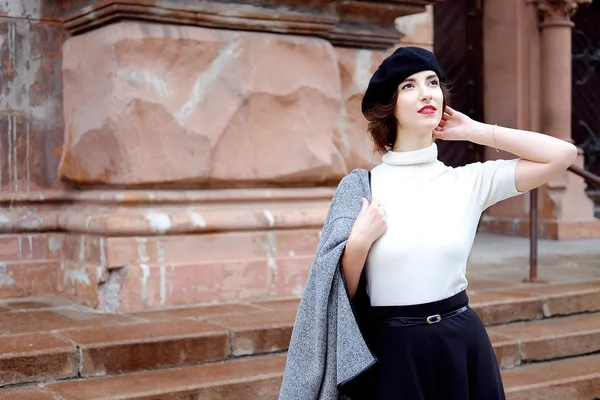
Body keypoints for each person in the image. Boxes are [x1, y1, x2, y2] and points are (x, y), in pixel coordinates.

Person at [278, 46, 577, 400]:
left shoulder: (468, 182)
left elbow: (563, 155)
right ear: (390, 105)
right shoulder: (361, 188)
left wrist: (478, 132)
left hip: (462, 346)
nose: (425, 93)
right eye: (409, 86)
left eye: (432, 82)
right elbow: (338, 294)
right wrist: (357, 244)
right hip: (392, 353)